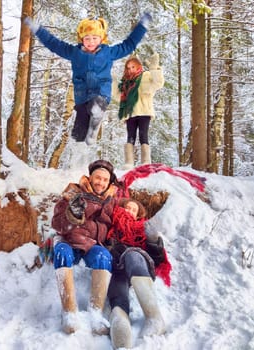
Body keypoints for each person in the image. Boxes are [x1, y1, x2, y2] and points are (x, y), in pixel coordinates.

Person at [24, 13, 153, 155]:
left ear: (101, 38)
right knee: (78, 134)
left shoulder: (109, 52)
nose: (91, 42)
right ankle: (78, 159)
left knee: (96, 106)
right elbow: (54, 44)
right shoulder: (74, 52)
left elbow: (129, 44)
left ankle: (93, 129)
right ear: (81, 39)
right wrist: (37, 29)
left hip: (101, 93)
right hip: (81, 96)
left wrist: (142, 27)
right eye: (87, 38)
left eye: (95, 38)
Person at [51, 159, 120, 335]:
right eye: (98, 178)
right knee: (61, 252)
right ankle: (69, 312)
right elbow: (57, 224)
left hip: (92, 245)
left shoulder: (110, 200)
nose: (101, 182)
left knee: (104, 257)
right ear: (90, 178)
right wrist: (71, 215)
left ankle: (95, 312)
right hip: (70, 241)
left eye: (105, 180)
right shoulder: (73, 192)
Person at [105, 197, 171, 348]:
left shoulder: (141, 228)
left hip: (137, 262)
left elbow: (157, 259)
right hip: (116, 264)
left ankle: (154, 316)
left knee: (132, 255)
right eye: (128, 207)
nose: (130, 211)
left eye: (134, 210)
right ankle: (119, 319)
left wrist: (153, 240)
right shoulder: (111, 225)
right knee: (116, 281)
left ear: (138, 215)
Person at [112, 53, 164, 168]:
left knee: (143, 135)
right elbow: (117, 96)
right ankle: (129, 162)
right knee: (130, 136)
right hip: (130, 113)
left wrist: (154, 68)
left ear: (138, 66)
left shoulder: (146, 76)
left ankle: (146, 161)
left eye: (133, 67)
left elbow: (158, 84)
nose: (131, 70)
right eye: (128, 67)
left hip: (144, 111)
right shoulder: (125, 82)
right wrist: (114, 82)